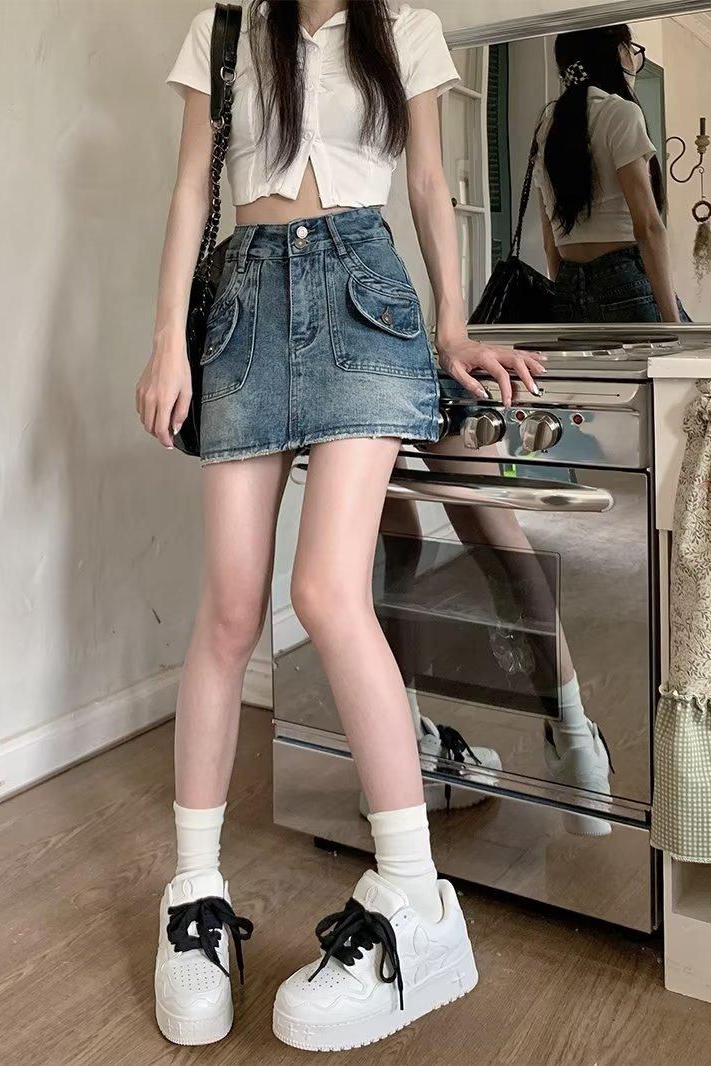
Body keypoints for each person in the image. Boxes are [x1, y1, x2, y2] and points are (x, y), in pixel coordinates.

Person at [136, 0, 546, 1051]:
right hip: (241, 309)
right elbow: (190, 185)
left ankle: (413, 896)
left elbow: (428, 183)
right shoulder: (224, 27)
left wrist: (452, 326)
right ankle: (194, 896)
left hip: (364, 300)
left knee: (324, 592)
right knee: (230, 610)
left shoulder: (405, 27)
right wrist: (168, 339)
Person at [535, 24, 689, 323]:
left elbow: (549, 238)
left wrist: (567, 294)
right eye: (632, 50)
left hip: (568, 284)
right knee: (692, 352)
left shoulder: (547, 124)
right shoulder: (620, 113)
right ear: (617, 52)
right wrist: (673, 324)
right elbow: (648, 227)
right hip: (624, 278)